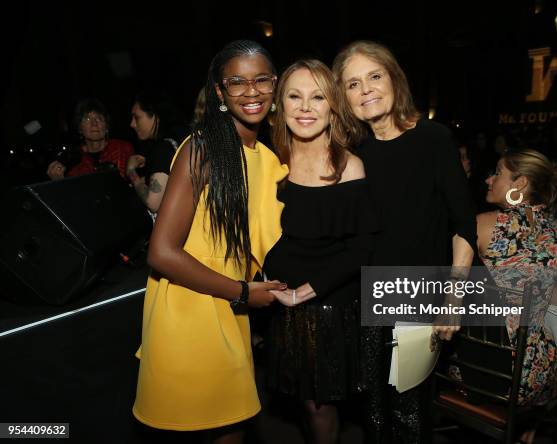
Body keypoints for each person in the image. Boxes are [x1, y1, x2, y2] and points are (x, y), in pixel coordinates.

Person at [132, 40, 287, 444]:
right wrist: (241, 292)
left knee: (231, 429)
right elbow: (161, 251)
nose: (251, 92)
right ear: (219, 93)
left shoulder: (267, 158)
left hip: (232, 311)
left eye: (261, 80)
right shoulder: (201, 149)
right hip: (190, 311)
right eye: (236, 82)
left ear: (275, 86)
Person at [332, 40, 476, 443]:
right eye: (353, 84)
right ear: (343, 97)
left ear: (394, 79)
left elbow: (463, 225)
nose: (367, 91)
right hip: (364, 297)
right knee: (373, 413)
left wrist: (453, 297)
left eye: (375, 77)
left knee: (410, 413)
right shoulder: (351, 152)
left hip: (418, 294)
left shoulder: (434, 139)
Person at [263, 59, 377, 444]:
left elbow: (362, 249)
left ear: (333, 107)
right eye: (295, 96)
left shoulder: (349, 166)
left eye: (318, 97)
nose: (306, 107)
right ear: (280, 104)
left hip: (329, 305)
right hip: (280, 303)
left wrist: (304, 292)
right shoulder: (270, 162)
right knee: (299, 400)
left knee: (320, 406)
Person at [476, 149, 557, 443]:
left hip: (483, 369)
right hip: (536, 374)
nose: (488, 179)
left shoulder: (481, 225)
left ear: (520, 183)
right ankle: (526, 430)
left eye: (497, 172)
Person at [126, 91, 187, 217]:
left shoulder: (162, 150)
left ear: (155, 116)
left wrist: (131, 172)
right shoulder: (180, 140)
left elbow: (153, 202)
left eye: (137, 117)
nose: (132, 124)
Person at [46, 98, 133, 180]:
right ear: (80, 128)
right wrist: (60, 182)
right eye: (87, 119)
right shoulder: (73, 161)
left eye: (99, 118)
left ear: (106, 126)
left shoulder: (122, 148)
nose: (94, 123)